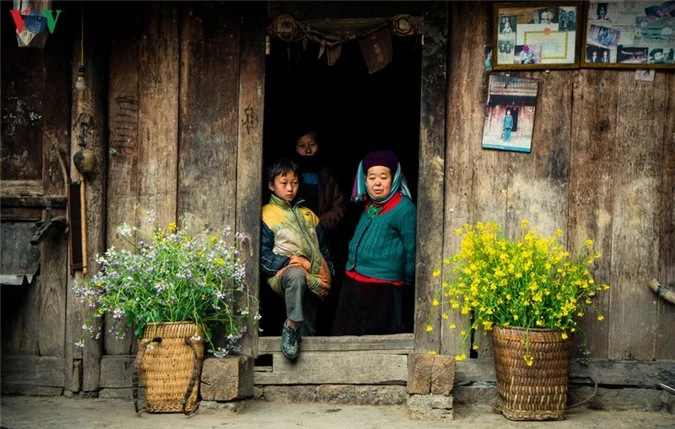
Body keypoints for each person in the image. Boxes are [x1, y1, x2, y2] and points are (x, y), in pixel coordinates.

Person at [332, 150, 416, 336]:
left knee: (376, 341)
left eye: (383, 177)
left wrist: (407, 282)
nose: (377, 183)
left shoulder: (404, 209)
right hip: (354, 283)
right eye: (371, 178)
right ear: (365, 180)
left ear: (393, 179)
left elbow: (412, 250)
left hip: (383, 289)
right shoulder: (370, 206)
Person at [260, 158, 334, 360]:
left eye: (295, 183)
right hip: (283, 275)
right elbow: (262, 255)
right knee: (296, 276)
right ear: (271, 186)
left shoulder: (309, 215)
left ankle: (305, 363)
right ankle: (290, 327)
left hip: (312, 274)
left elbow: (323, 248)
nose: (290, 188)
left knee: (309, 325)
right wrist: (288, 262)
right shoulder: (266, 214)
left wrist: (329, 270)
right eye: (284, 183)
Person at [291, 130, 346, 235]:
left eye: (312, 144)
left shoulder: (326, 176)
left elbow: (339, 208)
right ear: (294, 148)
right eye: (302, 145)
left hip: (320, 236)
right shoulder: (286, 175)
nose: (308, 150)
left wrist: (318, 224)